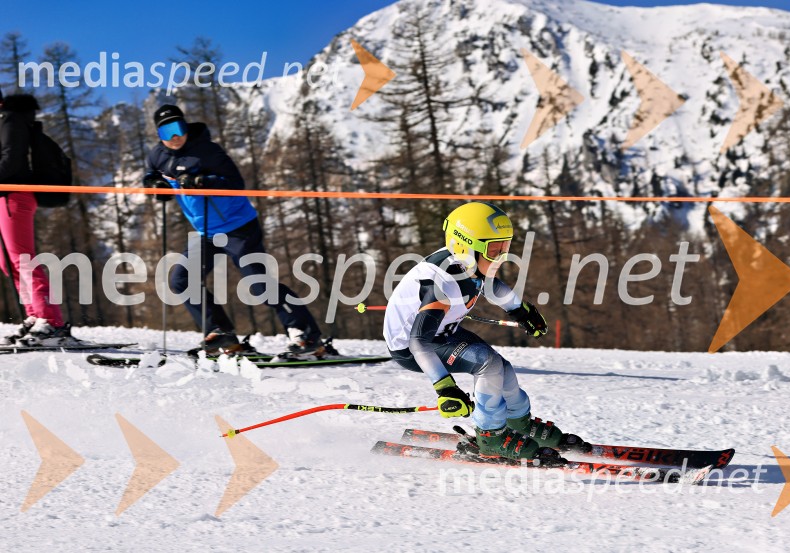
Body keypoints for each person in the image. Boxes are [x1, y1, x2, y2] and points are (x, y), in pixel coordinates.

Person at [383, 201, 587, 461]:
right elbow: (418, 342)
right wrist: (445, 388)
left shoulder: (467, 265)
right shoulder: (442, 284)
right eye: (494, 249)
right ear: (465, 246)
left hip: (443, 333)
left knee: (502, 368)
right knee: (487, 365)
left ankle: (518, 422)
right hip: (413, 348)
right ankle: (490, 436)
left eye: (505, 247)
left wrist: (520, 310)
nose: (501, 257)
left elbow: (489, 284)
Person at [144, 104, 333, 357]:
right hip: (206, 232)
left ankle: (307, 336)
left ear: (186, 126)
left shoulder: (208, 152)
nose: (174, 137)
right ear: (159, 135)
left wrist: (203, 182)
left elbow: (236, 184)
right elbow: (150, 175)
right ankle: (221, 333)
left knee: (259, 286)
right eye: (166, 132)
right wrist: (154, 184)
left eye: (177, 128)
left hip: (238, 227)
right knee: (182, 280)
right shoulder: (158, 156)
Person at [0, 91, 76, 346]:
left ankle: (51, 320)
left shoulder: (9, 120)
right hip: (3, 198)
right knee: (8, 262)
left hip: (14, 197)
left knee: (22, 260)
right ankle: (35, 315)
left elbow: (11, 162)